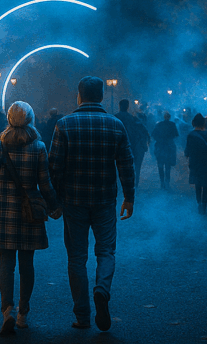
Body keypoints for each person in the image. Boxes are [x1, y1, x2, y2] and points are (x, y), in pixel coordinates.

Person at [48, 76, 135, 332]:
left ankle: (82, 316)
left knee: (76, 257)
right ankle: (102, 290)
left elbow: (54, 167)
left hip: (73, 200)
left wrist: (55, 200)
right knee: (106, 251)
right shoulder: (115, 125)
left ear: (79, 95)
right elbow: (126, 164)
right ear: (100, 96)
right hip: (105, 200)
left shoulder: (64, 125)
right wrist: (129, 197)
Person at [0, 101, 60, 336]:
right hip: (29, 215)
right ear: (31, 119)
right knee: (27, 265)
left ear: (8, 119)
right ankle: (23, 313)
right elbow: (45, 184)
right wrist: (54, 207)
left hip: (3, 214)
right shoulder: (39, 147)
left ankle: (7, 311)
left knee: (6, 264)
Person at [184, 113, 207, 214]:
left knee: (198, 184)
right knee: (205, 185)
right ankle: (204, 205)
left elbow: (187, 151)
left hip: (195, 162)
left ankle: (199, 204)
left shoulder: (191, 135)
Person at [115, 100, 150, 188]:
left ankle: (120, 184)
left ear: (119, 106)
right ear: (127, 107)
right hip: (131, 146)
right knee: (134, 167)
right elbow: (144, 131)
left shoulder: (114, 118)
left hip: (117, 147)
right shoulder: (133, 118)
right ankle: (134, 183)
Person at [151, 112, 179, 189]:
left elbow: (153, 135)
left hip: (160, 147)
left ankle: (162, 182)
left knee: (160, 166)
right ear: (169, 117)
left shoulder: (159, 124)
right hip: (169, 148)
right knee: (168, 166)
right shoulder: (172, 124)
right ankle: (167, 182)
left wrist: (159, 140)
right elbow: (176, 135)